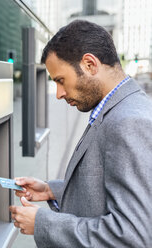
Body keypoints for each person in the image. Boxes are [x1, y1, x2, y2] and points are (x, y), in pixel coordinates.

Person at [9, 20, 152, 247]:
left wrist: (43, 223)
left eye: (60, 80)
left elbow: (131, 236)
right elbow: (107, 183)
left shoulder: (128, 122)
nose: (58, 93)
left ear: (89, 64)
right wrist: (51, 190)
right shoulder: (117, 108)